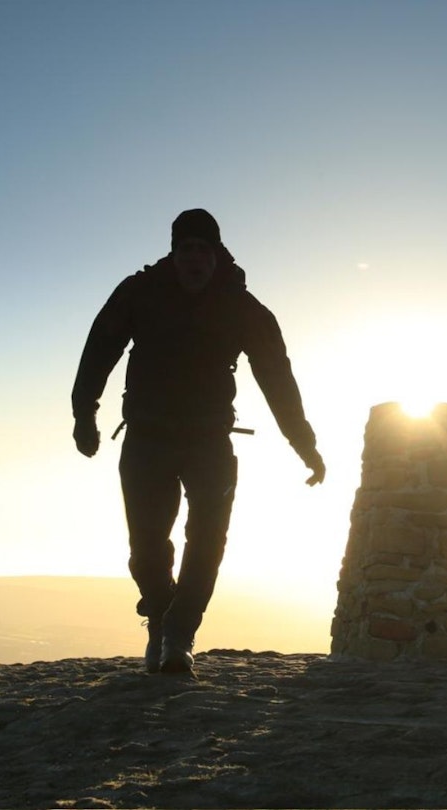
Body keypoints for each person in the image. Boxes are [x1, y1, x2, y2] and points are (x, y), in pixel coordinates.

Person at [70, 209, 325, 675]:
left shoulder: (240, 306)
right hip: (147, 439)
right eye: (185, 248)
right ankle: (160, 618)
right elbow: (99, 348)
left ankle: (179, 635)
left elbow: (277, 378)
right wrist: (84, 413)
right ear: (173, 252)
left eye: (203, 250)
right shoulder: (139, 292)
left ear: (216, 255)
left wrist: (303, 444)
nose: (194, 259)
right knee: (147, 545)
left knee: (206, 541)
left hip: (210, 442)